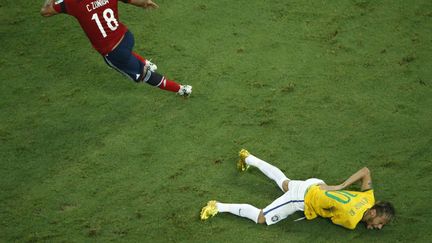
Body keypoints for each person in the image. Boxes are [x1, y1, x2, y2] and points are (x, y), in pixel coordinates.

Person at [200, 149, 395, 230]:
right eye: (379, 222)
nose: (379, 226)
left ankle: (247, 157)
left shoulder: (369, 198)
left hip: (315, 183)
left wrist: (342, 186)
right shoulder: (352, 221)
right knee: (261, 217)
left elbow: (365, 171)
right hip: (302, 198)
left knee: (284, 182)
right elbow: (332, 214)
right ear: (372, 212)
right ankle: (217, 206)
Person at [40, 0, 192, 96]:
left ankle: (180, 89)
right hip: (126, 37)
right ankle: (145, 63)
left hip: (113, 52)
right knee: (124, 53)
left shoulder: (72, 3)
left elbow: (45, 12)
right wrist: (145, 3)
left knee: (144, 76)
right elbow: (135, 1)